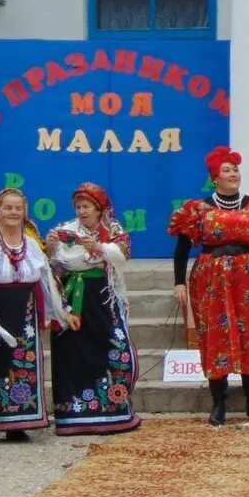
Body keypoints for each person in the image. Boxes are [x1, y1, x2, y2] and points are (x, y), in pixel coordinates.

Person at [170, 146, 249, 426]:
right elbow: (182, 247)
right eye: (227, 170)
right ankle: (219, 401)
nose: (233, 173)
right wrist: (178, 282)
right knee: (216, 336)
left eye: (235, 169)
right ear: (215, 177)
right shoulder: (198, 209)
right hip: (212, 278)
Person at [0, 187, 72, 441]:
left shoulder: (31, 243)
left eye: (18, 208)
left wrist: (60, 311)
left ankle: (20, 422)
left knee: (23, 363)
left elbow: (46, 279)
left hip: (25, 311)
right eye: (8, 208)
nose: (13, 212)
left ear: (25, 212)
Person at [46, 182, 142, 436]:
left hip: (103, 297)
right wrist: (52, 245)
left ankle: (114, 409)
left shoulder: (113, 229)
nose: (82, 211)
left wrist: (98, 248)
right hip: (72, 299)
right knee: (71, 352)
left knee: (112, 348)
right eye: (78, 206)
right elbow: (56, 262)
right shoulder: (66, 230)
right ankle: (72, 413)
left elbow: (122, 254)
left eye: (86, 206)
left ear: (99, 209)